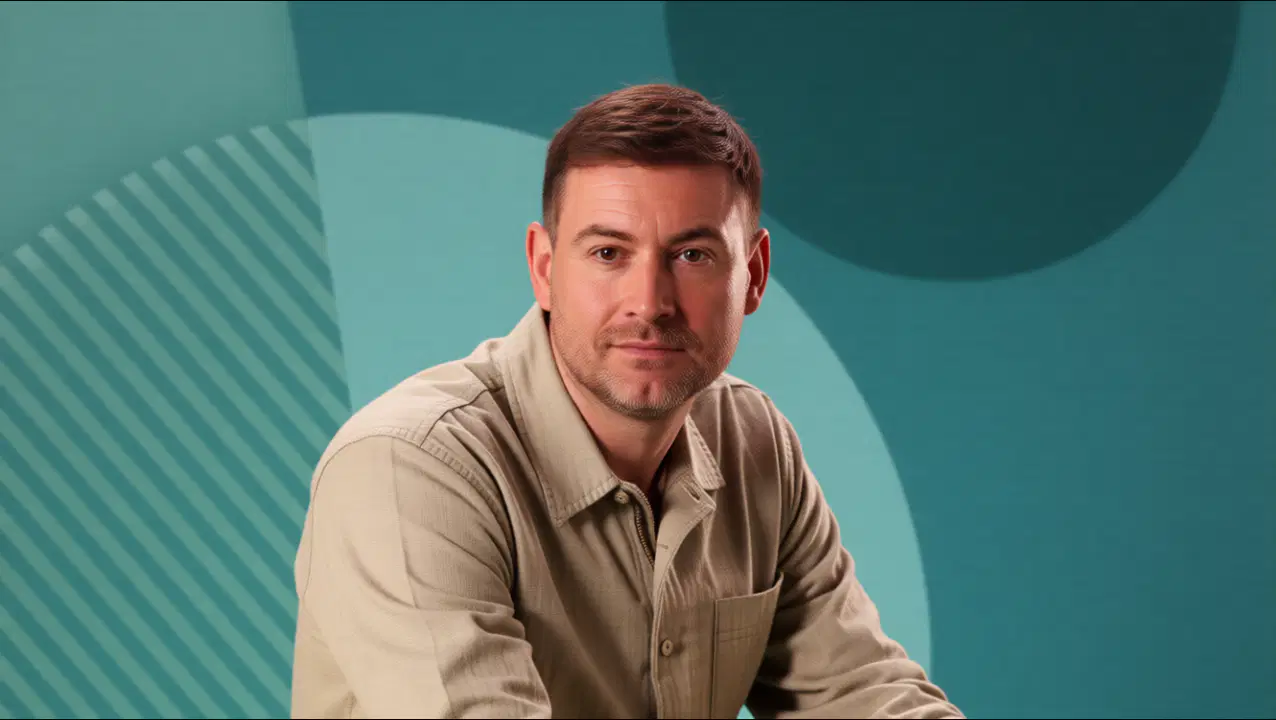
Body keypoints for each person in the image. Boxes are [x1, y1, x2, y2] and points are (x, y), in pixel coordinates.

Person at [289, 83, 964, 719]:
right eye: (609, 253)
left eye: (692, 255)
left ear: (754, 276)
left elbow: (861, 692)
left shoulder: (752, 440)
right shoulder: (409, 468)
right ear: (545, 268)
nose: (649, 303)